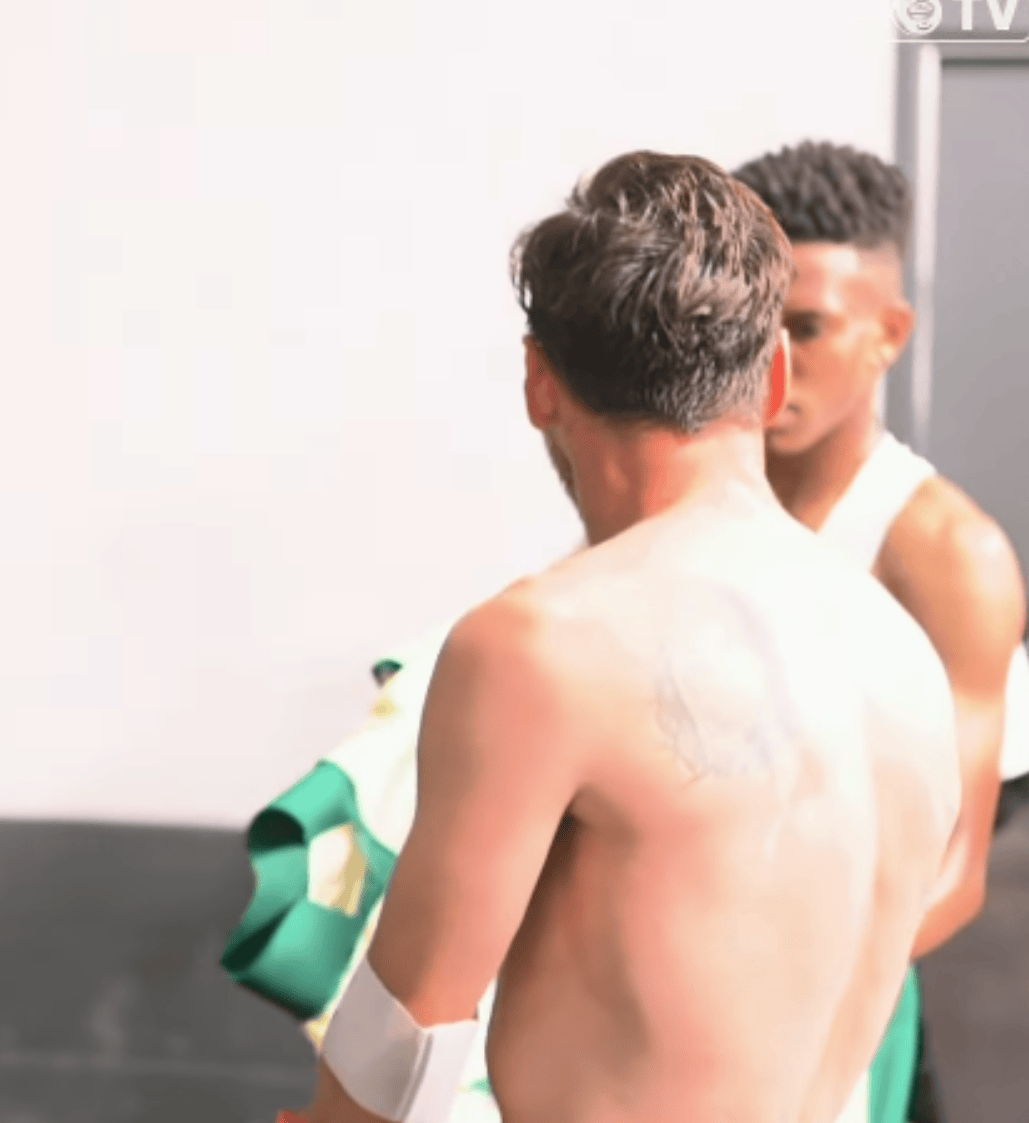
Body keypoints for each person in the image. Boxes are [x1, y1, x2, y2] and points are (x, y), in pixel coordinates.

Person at [272, 151, 962, 1123]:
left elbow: (406, 1027)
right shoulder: (902, 652)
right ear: (771, 376)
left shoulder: (543, 645)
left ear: (538, 382)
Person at [733, 141, 1029, 1123]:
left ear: (888, 334)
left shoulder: (948, 552)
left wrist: (752, 985)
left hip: (827, 1011)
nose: (773, 359)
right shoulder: (686, 507)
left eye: (806, 326)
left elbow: (956, 870)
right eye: (752, 324)